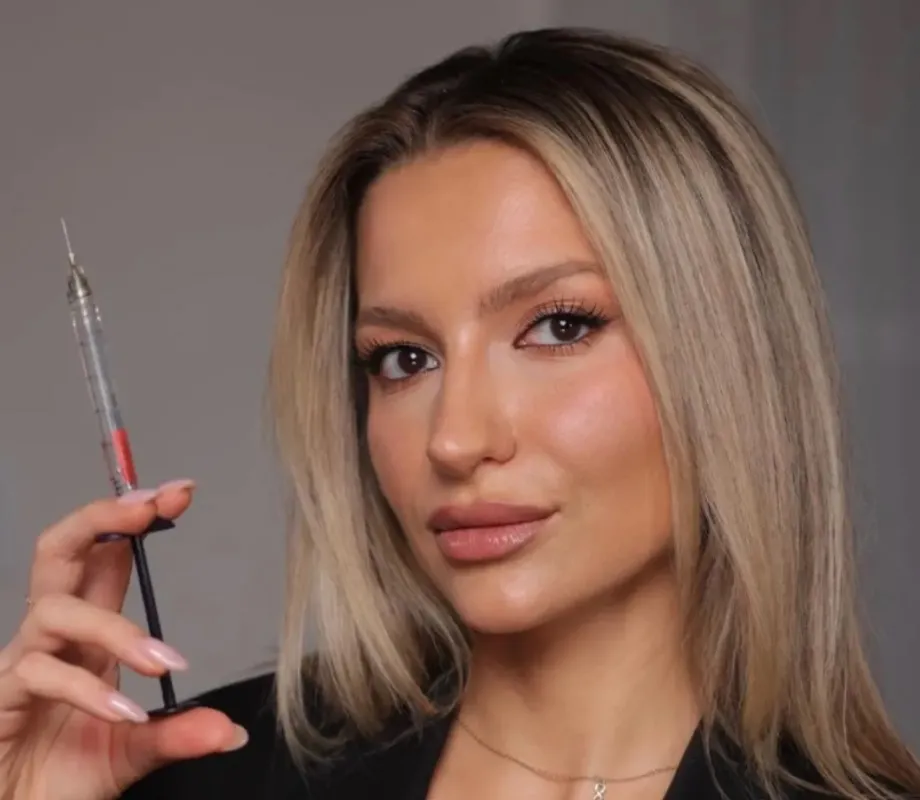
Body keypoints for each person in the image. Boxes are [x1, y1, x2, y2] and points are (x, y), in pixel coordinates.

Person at [0, 26, 917, 800]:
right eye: (405, 359)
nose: (455, 437)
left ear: (732, 356)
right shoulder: (201, 771)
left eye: (559, 326)